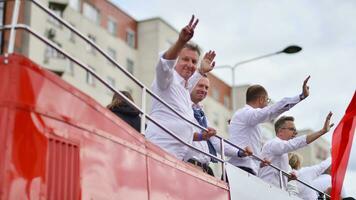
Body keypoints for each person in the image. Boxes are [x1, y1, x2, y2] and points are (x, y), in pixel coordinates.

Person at [145, 15, 217, 160]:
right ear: (176, 60)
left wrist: (203, 136)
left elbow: (183, 131)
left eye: (194, 61)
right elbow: (165, 63)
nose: (190, 65)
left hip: (177, 157)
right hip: (159, 151)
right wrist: (181, 41)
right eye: (185, 59)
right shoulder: (166, 80)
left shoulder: (184, 90)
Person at [228, 76, 311, 175]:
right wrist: (300, 97)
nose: (267, 105)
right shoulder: (248, 114)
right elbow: (271, 111)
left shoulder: (240, 115)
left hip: (239, 167)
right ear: (261, 99)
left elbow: (247, 144)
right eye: (267, 101)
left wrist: (259, 162)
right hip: (242, 169)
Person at [184, 76, 252, 176]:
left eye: (206, 88)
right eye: (200, 86)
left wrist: (240, 152)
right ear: (191, 85)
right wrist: (201, 136)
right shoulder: (183, 109)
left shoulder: (202, 115)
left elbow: (217, 142)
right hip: (188, 166)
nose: (203, 90)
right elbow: (182, 134)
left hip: (204, 169)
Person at [258, 113, 334, 190]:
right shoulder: (273, 143)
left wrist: (289, 177)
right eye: (292, 129)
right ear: (280, 131)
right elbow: (294, 144)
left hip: (272, 190)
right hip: (267, 189)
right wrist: (322, 131)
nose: (296, 132)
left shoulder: (281, 151)